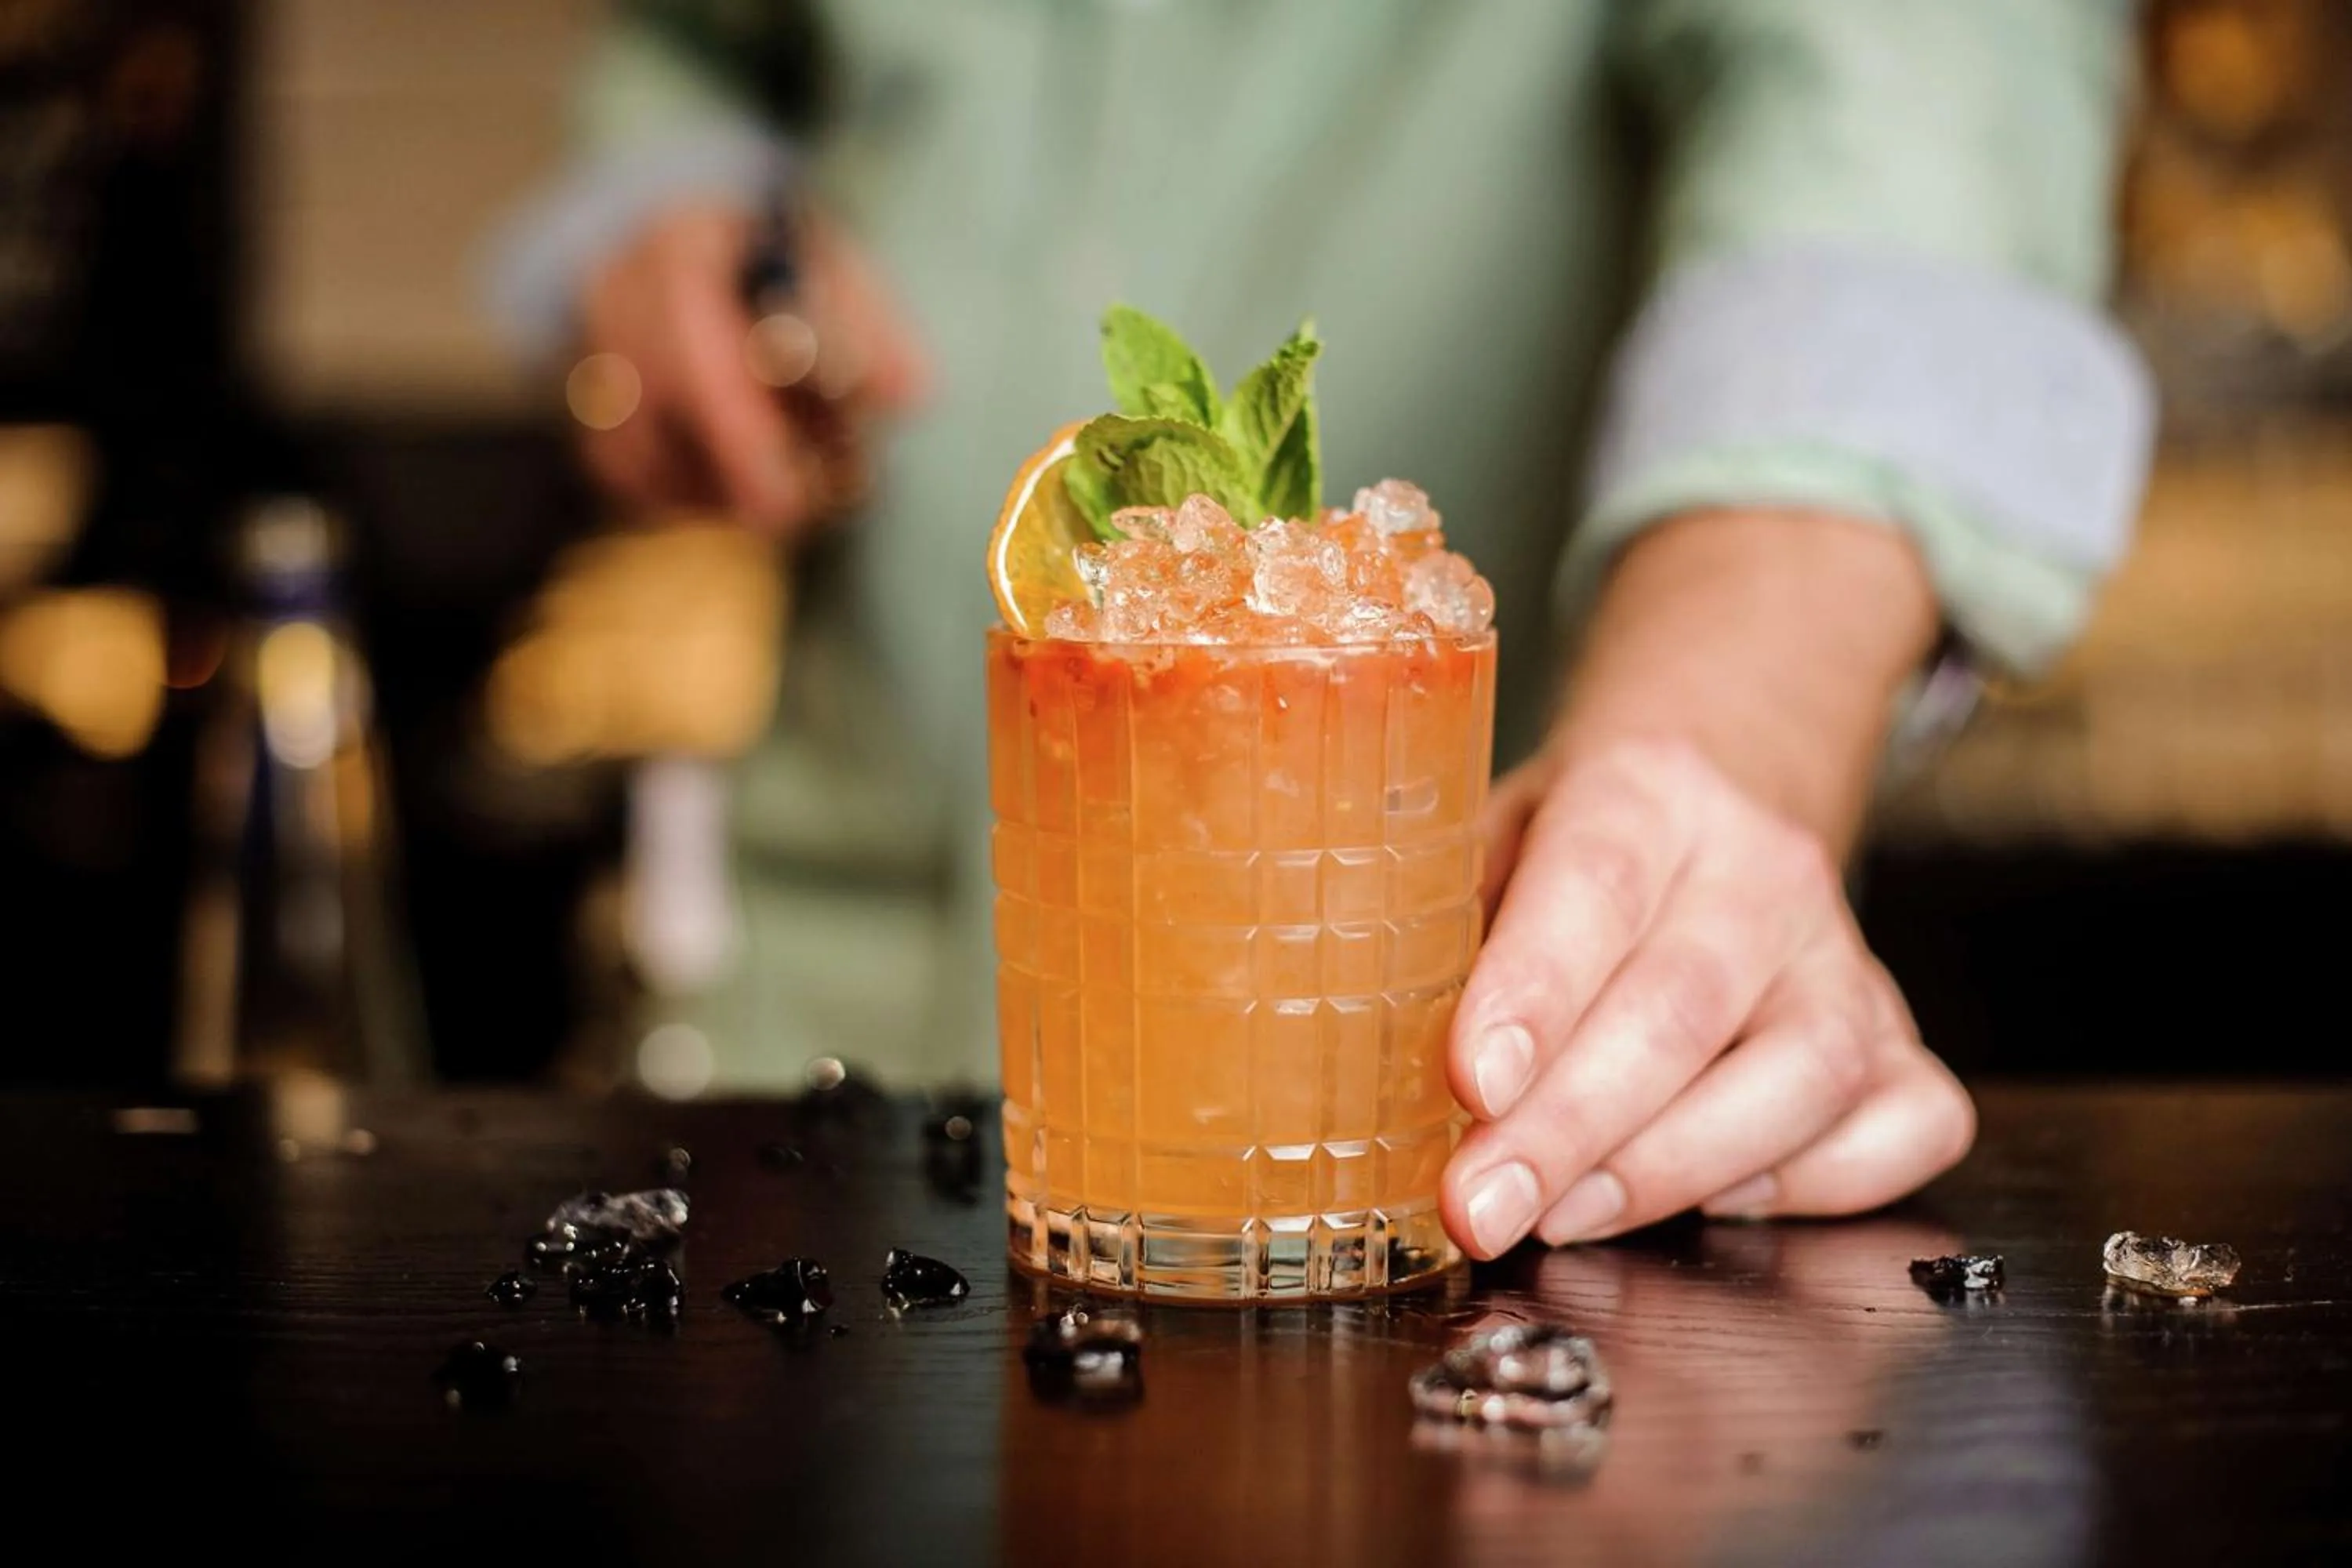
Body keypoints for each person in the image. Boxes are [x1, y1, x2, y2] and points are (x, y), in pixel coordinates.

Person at [489, 0, 2153, 1261]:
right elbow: (703, 50)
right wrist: (672, 211)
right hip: (791, 1060)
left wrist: (1711, 756)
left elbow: (1905, 134)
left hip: (1451, 1169)